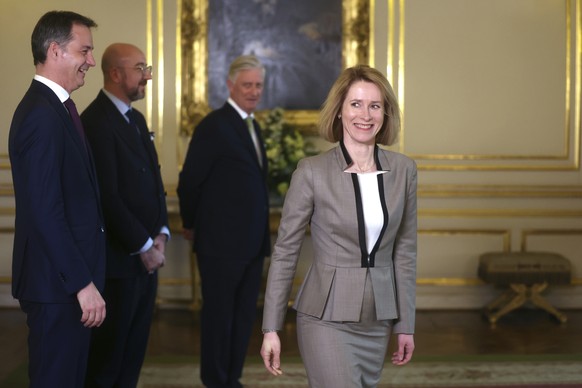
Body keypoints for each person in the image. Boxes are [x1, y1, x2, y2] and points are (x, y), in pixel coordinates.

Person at [260, 64, 417, 387]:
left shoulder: (404, 170)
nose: (366, 115)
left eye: (375, 105)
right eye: (355, 104)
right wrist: (270, 328)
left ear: (386, 113)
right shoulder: (312, 171)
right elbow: (286, 251)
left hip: (378, 318)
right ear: (339, 111)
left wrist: (406, 324)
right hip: (325, 317)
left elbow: (405, 252)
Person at [8, 10, 106, 388]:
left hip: (65, 284)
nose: (91, 62)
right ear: (55, 51)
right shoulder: (41, 115)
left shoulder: (57, 109)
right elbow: (45, 211)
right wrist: (82, 284)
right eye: (85, 51)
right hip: (58, 287)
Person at [177, 54, 271, 388]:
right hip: (220, 244)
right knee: (219, 319)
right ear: (230, 85)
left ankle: (232, 379)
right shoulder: (214, 125)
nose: (254, 91)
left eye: (258, 84)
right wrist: (190, 222)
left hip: (251, 243)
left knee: (243, 317)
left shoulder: (252, 124)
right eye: (247, 84)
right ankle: (216, 381)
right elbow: (189, 181)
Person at [81, 43, 169, 388]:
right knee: (108, 361)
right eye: (140, 68)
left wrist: (161, 232)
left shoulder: (136, 117)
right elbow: (109, 197)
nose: (146, 75)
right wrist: (144, 245)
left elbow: (155, 180)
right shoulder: (96, 122)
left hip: (146, 261)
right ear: (116, 74)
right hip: (118, 265)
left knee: (133, 356)